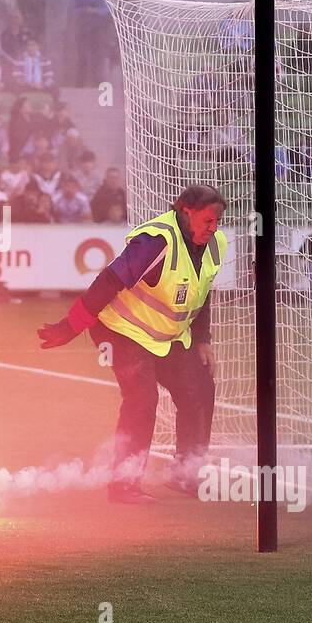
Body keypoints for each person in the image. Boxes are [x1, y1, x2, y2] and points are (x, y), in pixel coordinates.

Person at [37, 184, 229, 503]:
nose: (214, 227)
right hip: (119, 331)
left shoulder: (215, 244)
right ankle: (123, 483)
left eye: (217, 221)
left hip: (165, 337)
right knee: (142, 398)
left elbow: (202, 290)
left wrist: (203, 340)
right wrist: (69, 327)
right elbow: (108, 282)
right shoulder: (155, 242)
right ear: (186, 213)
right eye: (208, 220)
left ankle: (185, 475)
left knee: (200, 389)